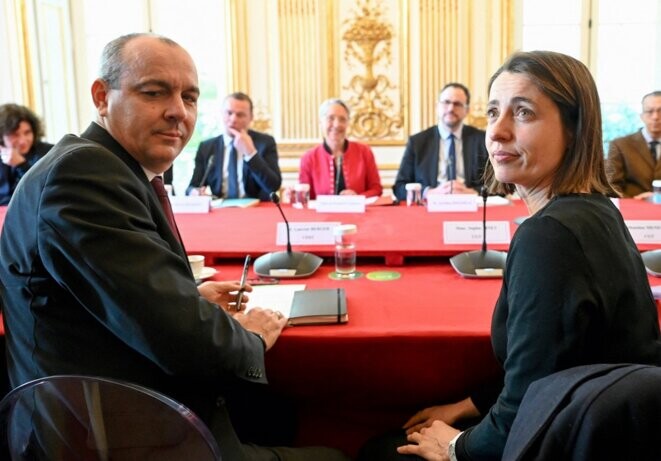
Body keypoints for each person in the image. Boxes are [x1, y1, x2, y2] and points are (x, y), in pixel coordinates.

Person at [0, 33, 348, 461]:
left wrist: (190, 297)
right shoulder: (84, 174)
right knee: (339, 453)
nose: (178, 112)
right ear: (101, 96)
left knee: (279, 412)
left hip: (118, 404)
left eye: (190, 97)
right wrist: (251, 336)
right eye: (154, 92)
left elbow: (106, 297)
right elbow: (190, 344)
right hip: (114, 436)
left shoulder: (109, 167)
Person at [359, 51, 661, 461]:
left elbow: (527, 408)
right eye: (493, 112)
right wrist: (471, 403)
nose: (496, 133)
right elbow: (555, 361)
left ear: (573, 129)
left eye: (523, 113)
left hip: (556, 442)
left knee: (378, 451)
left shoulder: (548, 236)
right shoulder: (597, 208)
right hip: (595, 427)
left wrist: (455, 446)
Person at [392, 83, 488, 201]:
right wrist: (428, 192)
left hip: (472, 207)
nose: (451, 108)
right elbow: (399, 187)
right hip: (429, 209)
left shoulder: (483, 140)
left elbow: (500, 186)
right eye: (446, 102)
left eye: (457, 104)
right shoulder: (417, 142)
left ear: (467, 110)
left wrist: (475, 192)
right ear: (437, 106)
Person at [186, 92, 281, 200]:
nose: (233, 119)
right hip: (221, 210)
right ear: (221, 113)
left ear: (251, 117)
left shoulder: (265, 142)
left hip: (256, 209)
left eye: (240, 115)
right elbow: (192, 187)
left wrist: (251, 154)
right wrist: (194, 192)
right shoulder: (206, 147)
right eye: (229, 113)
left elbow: (273, 186)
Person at [299, 98, 383, 199]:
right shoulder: (309, 158)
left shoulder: (364, 152)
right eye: (330, 118)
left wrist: (358, 197)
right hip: (322, 214)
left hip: (358, 213)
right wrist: (296, 195)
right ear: (320, 123)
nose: (337, 124)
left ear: (348, 123)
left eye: (342, 119)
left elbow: (376, 189)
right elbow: (306, 196)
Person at [606, 90, 661, 199]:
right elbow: (611, 187)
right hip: (632, 210)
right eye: (649, 111)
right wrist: (635, 200)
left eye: (660, 111)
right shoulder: (620, 145)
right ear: (642, 116)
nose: (655, 117)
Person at [0, 103, 53, 205]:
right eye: (15, 134)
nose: (23, 141)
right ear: (2, 136)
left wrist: (21, 165)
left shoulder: (49, 153)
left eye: (27, 132)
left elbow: (41, 191)